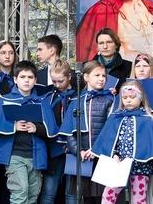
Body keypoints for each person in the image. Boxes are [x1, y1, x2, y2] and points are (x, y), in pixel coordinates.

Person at [0, 60, 59, 204]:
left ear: (35, 80)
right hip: (13, 155)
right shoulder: (5, 100)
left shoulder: (41, 103)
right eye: (23, 77)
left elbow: (52, 131)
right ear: (15, 79)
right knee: (20, 193)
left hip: (36, 157)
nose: (26, 80)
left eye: (30, 77)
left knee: (32, 196)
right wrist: (14, 126)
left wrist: (36, 128)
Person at [91, 80, 153, 204]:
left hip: (140, 166)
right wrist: (114, 154)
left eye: (132, 97)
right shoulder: (116, 117)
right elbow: (109, 140)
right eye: (125, 97)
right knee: (108, 196)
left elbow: (152, 144)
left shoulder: (149, 119)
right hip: (118, 163)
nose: (128, 100)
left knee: (139, 199)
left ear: (141, 98)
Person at [59, 60, 115, 204]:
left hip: (102, 157)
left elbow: (112, 131)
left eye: (103, 75)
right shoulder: (77, 100)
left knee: (102, 197)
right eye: (97, 75)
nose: (101, 78)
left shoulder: (111, 100)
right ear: (86, 77)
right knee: (85, 198)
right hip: (83, 157)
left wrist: (96, 150)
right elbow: (68, 131)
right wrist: (78, 150)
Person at [129, 53, 153, 204]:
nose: (141, 69)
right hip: (133, 146)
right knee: (136, 192)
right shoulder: (127, 90)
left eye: (145, 66)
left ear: (152, 68)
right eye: (138, 66)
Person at [39, 60, 77, 203]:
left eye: (60, 81)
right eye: (54, 81)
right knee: (49, 191)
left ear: (69, 76)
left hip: (74, 148)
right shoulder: (49, 96)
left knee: (72, 192)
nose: (57, 85)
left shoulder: (79, 94)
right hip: (54, 148)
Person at [0, 40, 18, 204]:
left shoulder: (20, 77)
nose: (7, 56)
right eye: (3, 53)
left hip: (15, 132)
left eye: (11, 53)